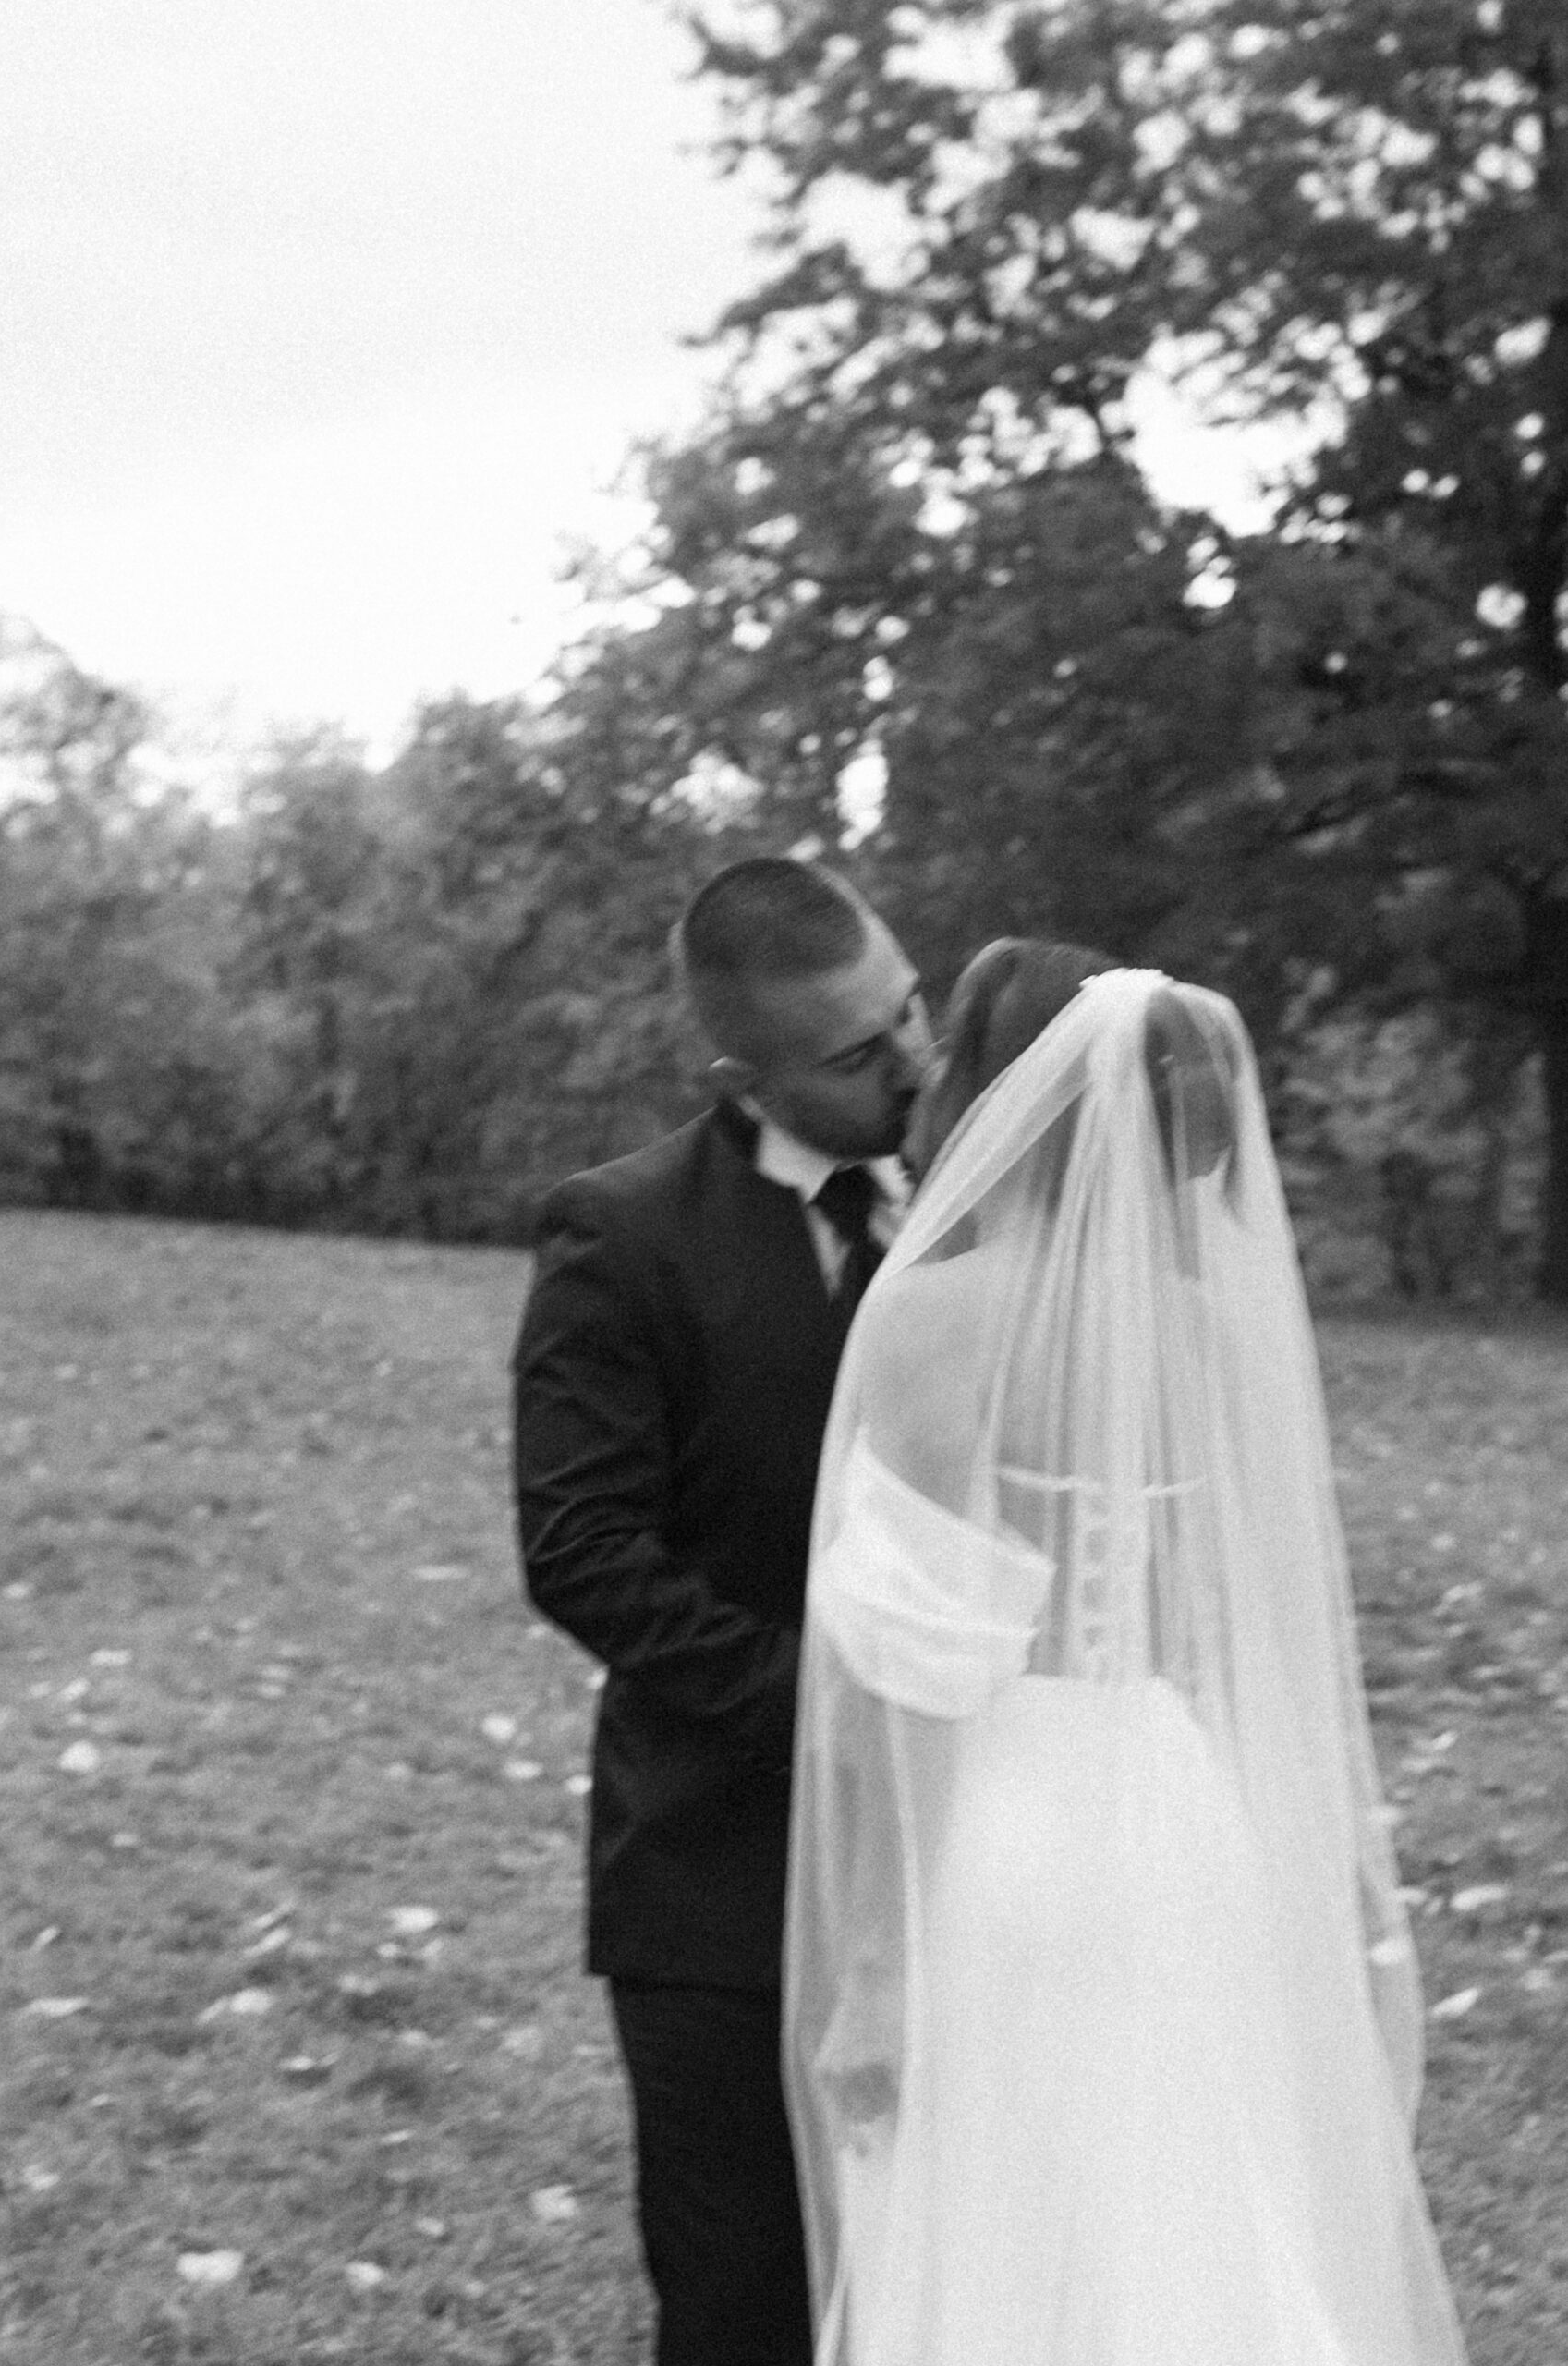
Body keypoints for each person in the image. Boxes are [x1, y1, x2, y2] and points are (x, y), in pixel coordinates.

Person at [784, 942, 1470, 2366]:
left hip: (1010, 1830)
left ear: (995, 1092)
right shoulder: (1217, 1326)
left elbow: (920, 1670)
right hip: (1178, 1813)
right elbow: (1241, 1639)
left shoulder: (932, 1317)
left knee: (1005, 2216)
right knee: (1177, 2210)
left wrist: (877, 1970)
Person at [513, 856, 932, 2366]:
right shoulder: (619, 1236)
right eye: (855, 1053)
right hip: (720, 1879)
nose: (913, 1064)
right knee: (744, 2303)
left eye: (911, 1010)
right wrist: (829, 1719)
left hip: (964, 1879)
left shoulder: (977, 1202)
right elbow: (582, 1549)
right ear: (736, 1073)